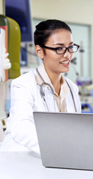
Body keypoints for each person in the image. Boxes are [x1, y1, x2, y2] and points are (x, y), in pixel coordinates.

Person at [0, 19, 82, 154]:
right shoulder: (23, 84)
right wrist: (58, 148)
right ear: (39, 51)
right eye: (59, 48)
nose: (68, 54)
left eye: (70, 47)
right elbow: (21, 127)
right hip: (19, 160)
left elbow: (75, 128)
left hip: (58, 160)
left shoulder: (72, 88)